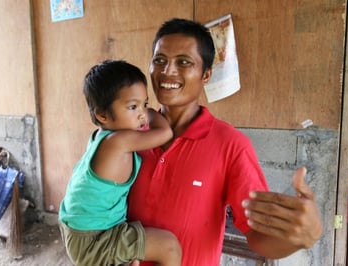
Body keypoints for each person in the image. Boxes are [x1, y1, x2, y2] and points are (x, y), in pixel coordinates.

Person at [127, 18, 323, 265]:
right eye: (160, 60)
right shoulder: (131, 133)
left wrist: (300, 237)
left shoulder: (230, 145)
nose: (168, 71)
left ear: (206, 75)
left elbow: (257, 236)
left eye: (183, 62)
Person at [58, 60, 182, 266]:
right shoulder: (118, 142)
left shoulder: (101, 135)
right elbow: (165, 133)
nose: (142, 113)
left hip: (81, 230)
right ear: (102, 115)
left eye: (144, 103)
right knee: (169, 246)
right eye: (133, 107)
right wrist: (152, 112)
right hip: (93, 238)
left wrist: (139, 110)